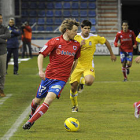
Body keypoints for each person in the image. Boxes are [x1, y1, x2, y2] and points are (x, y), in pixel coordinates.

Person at [22, 18, 81, 130]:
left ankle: (30, 121)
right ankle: (32, 113)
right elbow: (41, 55)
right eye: (74, 30)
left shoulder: (76, 45)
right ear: (67, 30)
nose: (76, 33)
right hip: (48, 76)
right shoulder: (54, 41)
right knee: (36, 101)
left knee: (48, 100)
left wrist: (70, 73)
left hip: (61, 79)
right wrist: (40, 71)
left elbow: (76, 59)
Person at [69, 20, 117, 112]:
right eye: (85, 28)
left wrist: (112, 54)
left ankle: (81, 82)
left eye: (88, 28)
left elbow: (106, 41)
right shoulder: (76, 37)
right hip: (76, 65)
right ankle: (75, 106)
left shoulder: (94, 37)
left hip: (88, 65)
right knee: (73, 87)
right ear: (81, 29)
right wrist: (79, 45)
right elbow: (69, 48)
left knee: (89, 82)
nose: (87, 30)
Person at [0, 14, 11, 97]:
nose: (1, 20)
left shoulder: (4, 28)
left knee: (3, 72)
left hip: (2, 52)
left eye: (1, 18)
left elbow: (8, 35)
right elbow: (5, 39)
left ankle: (1, 89)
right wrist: (3, 40)